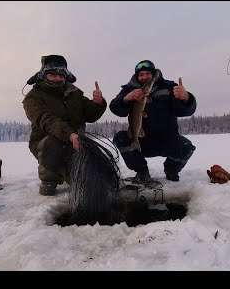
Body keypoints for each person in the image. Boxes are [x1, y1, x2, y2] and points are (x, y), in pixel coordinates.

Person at [23, 55, 107, 196]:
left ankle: (73, 174)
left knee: (93, 176)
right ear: (44, 74)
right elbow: (46, 120)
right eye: (53, 75)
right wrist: (69, 134)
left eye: (61, 75)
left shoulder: (74, 93)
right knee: (54, 144)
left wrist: (98, 104)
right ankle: (49, 179)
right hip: (46, 143)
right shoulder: (32, 97)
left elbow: (90, 115)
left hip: (76, 142)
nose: (57, 78)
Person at [109, 59, 196, 182]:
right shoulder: (129, 90)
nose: (145, 77)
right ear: (137, 76)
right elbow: (115, 108)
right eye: (141, 74)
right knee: (120, 138)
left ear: (153, 74)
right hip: (142, 142)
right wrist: (125, 99)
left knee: (186, 146)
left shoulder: (169, 87)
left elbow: (186, 111)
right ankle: (142, 172)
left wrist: (186, 98)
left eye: (148, 74)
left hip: (167, 140)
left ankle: (171, 171)